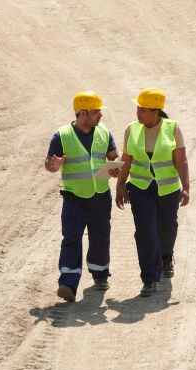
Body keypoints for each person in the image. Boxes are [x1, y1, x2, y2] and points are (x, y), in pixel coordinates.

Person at [45, 91, 121, 302]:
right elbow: (49, 164)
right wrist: (55, 165)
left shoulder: (104, 133)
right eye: (97, 112)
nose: (100, 116)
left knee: (100, 237)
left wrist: (116, 168)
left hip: (100, 197)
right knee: (71, 240)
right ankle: (68, 284)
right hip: (74, 199)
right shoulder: (62, 136)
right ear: (83, 113)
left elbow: (114, 156)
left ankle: (100, 275)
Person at [115, 87, 190, 297]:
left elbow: (181, 160)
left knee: (167, 228)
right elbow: (127, 160)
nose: (138, 113)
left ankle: (166, 257)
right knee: (145, 231)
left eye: (142, 110)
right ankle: (149, 278)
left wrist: (186, 187)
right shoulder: (132, 129)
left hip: (168, 189)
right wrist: (120, 186)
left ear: (155, 112)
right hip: (140, 189)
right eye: (137, 108)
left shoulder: (172, 128)